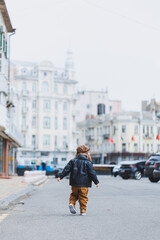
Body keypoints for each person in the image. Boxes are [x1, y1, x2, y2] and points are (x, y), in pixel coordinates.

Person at [57, 145, 99, 216]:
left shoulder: (73, 161)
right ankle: (83, 210)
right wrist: (96, 182)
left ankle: (72, 204)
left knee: (74, 195)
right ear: (86, 153)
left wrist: (60, 177)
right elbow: (92, 173)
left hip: (74, 183)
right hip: (84, 184)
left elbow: (66, 169)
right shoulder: (88, 162)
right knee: (83, 197)